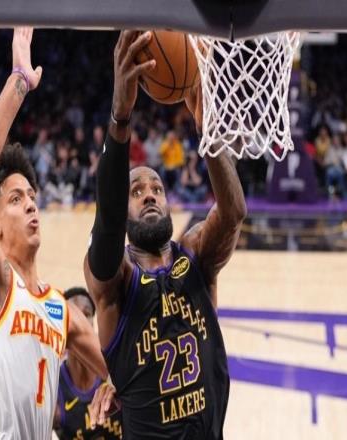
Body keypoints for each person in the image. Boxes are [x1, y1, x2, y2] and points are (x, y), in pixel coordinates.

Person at [84, 31, 246, 439]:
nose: (150, 195)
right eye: (136, 191)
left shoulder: (194, 255)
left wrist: (209, 132)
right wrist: (120, 118)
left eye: (156, 188)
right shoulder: (118, 281)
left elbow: (233, 213)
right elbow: (106, 227)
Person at [0, 28, 108, 439]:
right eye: (15, 198)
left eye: (32, 197)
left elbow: (119, 368)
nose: (30, 204)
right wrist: (19, 81)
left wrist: (114, 383)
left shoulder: (60, 309)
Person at [55, 287, 123, 439]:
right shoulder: (54, 388)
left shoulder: (115, 370)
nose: (81, 322)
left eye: (86, 314)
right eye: (74, 316)